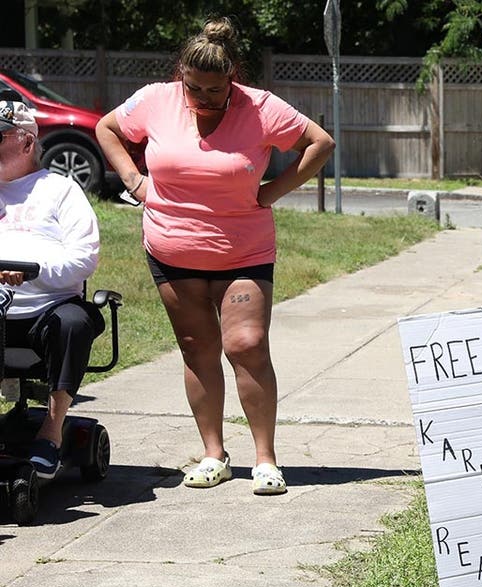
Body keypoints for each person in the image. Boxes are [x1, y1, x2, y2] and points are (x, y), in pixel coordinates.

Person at [95, 17, 334, 495]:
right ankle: (213, 454)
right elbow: (107, 128)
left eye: (214, 89)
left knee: (246, 345)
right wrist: (134, 181)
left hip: (243, 250)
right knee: (196, 348)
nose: (203, 98)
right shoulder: (157, 100)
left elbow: (320, 142)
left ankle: (265, 460)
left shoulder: (260, 107)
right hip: (171, 248)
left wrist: (272, 191)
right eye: (194, 88)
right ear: (181, 74)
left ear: (232, 78)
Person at [0, 100, 103, 479]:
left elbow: (84, 258)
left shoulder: (60, 190)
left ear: (27, 142)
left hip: (47, 310)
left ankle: (52, 431)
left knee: (73, 322)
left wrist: (32, 273)